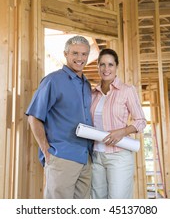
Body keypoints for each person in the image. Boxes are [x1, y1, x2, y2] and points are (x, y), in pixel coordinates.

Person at [25, 35, 93, 199]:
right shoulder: (53, 80)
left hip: (85, 159)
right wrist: (46, 150)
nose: (80, 58)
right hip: (62, 157)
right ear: (66, 54)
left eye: (84, 54)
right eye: (75, 53)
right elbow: (34, 117)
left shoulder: (86, 84)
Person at [90, 48, 146, 199]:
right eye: (102, 64)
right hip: (96, 156)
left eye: (110, 64)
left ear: (116, 67)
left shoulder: (127, 90)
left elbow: (140, 121)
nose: (106, 69)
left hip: (119, 155)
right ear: (98, 67)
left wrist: (122, 132)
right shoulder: (93, 93)